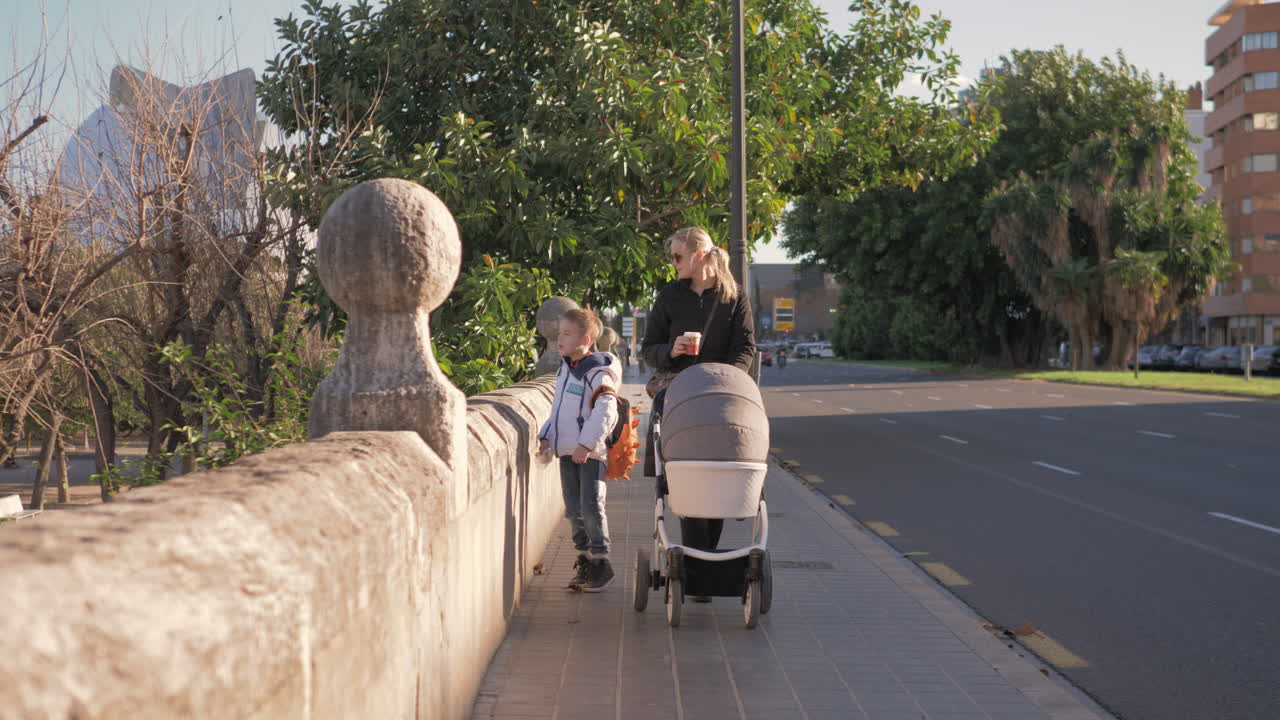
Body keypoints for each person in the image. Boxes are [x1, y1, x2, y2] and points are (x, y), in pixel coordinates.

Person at [640, 227, 755, 601]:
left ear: (702, 255)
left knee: (719, 475)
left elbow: (745, 347)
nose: (673, 263)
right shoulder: (670, 296)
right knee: (688, 475)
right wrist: (671, 350)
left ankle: (703, 566)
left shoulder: (733, 297)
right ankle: (699, 567)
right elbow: (649, 349)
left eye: (678, 256)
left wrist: (728, 378)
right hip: (680, 394)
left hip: (721, 396)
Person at [538, 308, 622, 592]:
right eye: (560, 332)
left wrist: (587, 444)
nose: (559, 338)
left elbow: (606, 410)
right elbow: (559, 410)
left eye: (566, 333)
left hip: (588, 453)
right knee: (573, 509)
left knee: (590, 507)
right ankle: (585, 559)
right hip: (567, 452)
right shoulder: (566, 368)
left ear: (585, 339)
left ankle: (601, 562)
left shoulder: (597, 372)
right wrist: (546, 436)